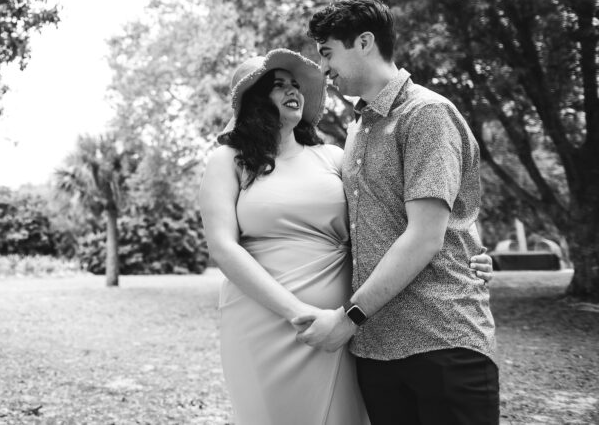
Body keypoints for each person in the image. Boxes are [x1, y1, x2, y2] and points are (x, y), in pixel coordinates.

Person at [198, 48, 491, 425]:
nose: (293, 90)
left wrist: (471, 250)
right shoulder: (227, 161)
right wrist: (298, 312)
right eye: (278, 85)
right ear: (254, 100)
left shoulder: (334, 157)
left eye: (296, 84)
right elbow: (223, 247)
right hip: (263, 321)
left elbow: (410, 201)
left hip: (341, 324)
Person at [296, 0, 499, 425]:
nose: (324, 68)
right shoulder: (357, 129)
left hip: (441, 340)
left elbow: (426, 236)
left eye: (328, 52)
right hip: (376, 348)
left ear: (365, 42)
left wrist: (349, 318)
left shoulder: (426, 113)